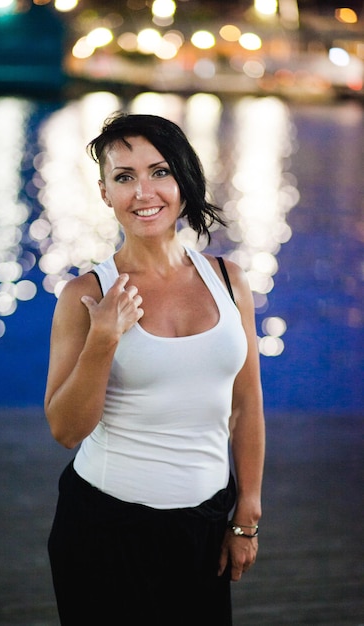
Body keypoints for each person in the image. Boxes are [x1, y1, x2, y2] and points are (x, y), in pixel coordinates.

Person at [45, 112, 265, 624]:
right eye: (124, 177)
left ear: (183, 178)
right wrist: (103, 338)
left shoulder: (229, 280)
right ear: (105, 193)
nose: (144, 192)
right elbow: (65, 429)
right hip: (106, 528)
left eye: (159, 171)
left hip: (207, 522)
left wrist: (246, 515)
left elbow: (246, 404)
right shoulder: (87, 295)